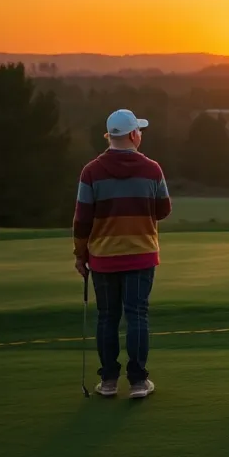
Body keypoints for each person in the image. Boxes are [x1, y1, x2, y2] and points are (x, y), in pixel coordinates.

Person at [73, 109, 172, 399]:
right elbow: (164, 210)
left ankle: (108, 382)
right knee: (137, 315)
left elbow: (82, 220)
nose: (140, 134)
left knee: (107, 316)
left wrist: (80, 255)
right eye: (138, 130)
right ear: (132, 135)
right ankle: (139, 382)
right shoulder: (152, 169)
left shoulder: (90, 171)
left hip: (103, 257)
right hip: (141, 254)